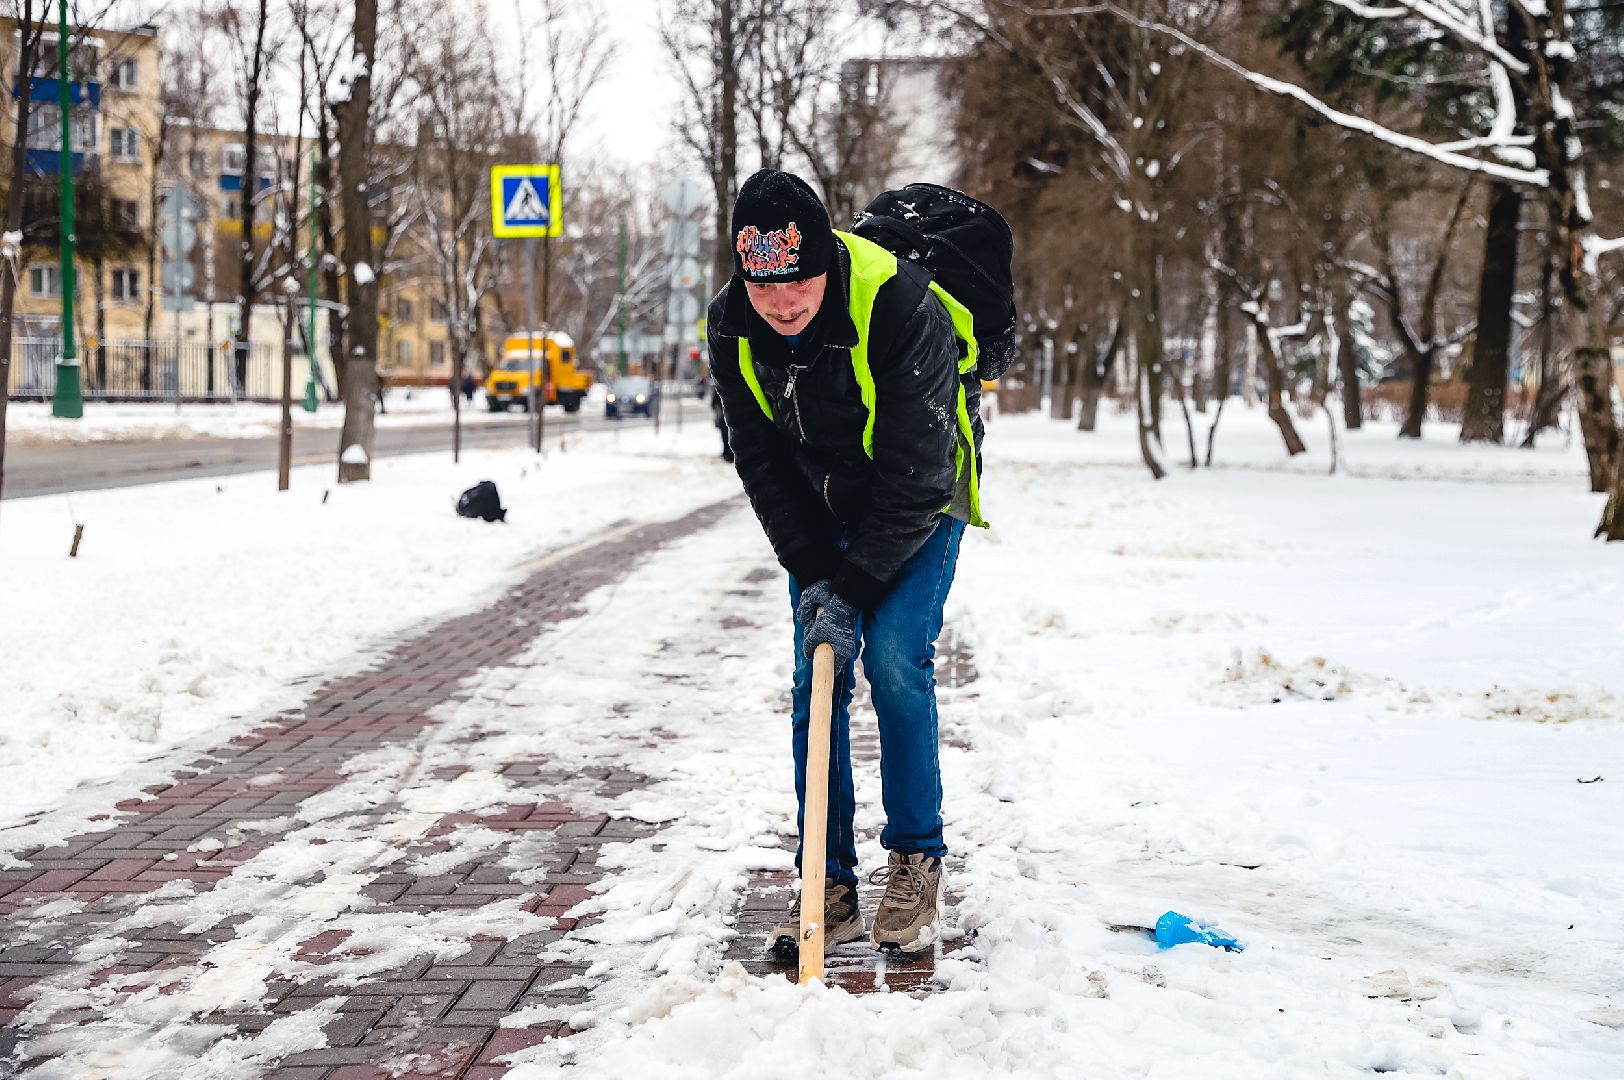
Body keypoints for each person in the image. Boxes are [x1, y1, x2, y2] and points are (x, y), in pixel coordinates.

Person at [708, 169, 984, 957]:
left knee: (895, 659)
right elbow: (757, 458)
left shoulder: (897, 304)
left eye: (798, 288)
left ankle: (914, 859)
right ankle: (826, 885)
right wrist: (816, 575)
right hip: (820, 508)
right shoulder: (731, 323)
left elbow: (918, 473)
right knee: (817, 671)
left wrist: (858, 587)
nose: (783, 308)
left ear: (827, 260)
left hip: (918, 500)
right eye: (766, 293)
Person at [710, 379, 733, 462]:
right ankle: (729, 454)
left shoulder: (719, 384)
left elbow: (713, 402)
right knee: (729, 435)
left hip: (724, 415)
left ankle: (727, 453)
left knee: (726, 435)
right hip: (730, 414)